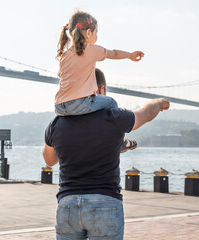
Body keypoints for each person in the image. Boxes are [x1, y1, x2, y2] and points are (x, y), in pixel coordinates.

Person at [43, 69, 170, 239]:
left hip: (68, 204)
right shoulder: (114, 117)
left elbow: (49, 160)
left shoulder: (56, 123)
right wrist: (159, 101)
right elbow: (146, 113)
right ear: (101, 90)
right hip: (105, 202)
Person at [55, 10, 143, 152]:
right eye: (96, 32)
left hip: (60, 106)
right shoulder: (91, 50)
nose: (97, 35)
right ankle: (120, 141)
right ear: (88, 33)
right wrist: (130, 56)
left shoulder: (65, 55)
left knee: (92, 103)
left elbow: (62, 75)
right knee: (111, 103)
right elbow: (113, 53)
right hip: (79, 103)